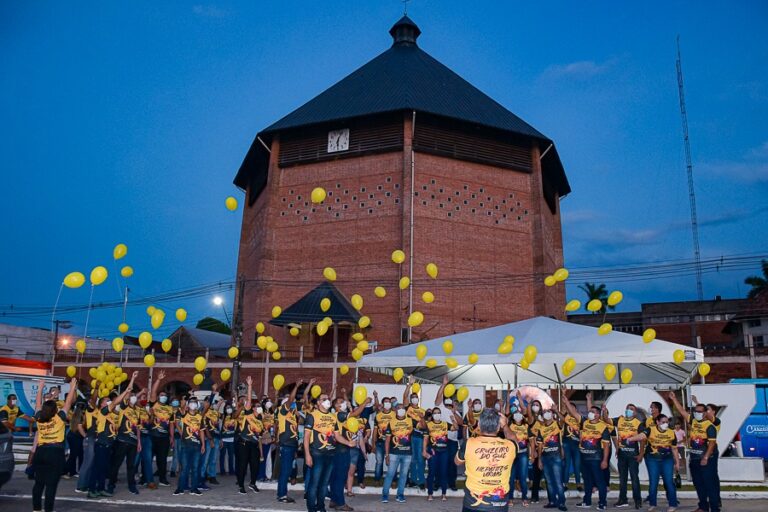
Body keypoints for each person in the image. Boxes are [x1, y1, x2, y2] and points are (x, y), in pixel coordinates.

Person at [456, 408, 518, 512]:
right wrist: (505, 425)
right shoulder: (510, 446)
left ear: (479, 425)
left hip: (473, 504)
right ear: (498, 427)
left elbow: (457, 461)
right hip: (499, 504)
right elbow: (514, 438)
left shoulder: (469, 443)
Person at [88, 372, 138, 499]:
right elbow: (116, 401)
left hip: (110, 444)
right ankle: (91, 490)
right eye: (106, 400)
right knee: (97, 468)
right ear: (102, 404)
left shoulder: (114, 414)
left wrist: (131, 379)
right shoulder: (103, 412)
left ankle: (100, 488)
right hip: (102, 444)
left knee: (104, 469)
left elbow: (125, 398)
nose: (108, 401)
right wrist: (125, 391)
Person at [304, 390, 355, 512]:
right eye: (323, 399)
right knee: (314, 484)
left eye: (328, 399)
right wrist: (307, 455)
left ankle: (321, 508)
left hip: (331, 454)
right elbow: (306, 437)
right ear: (318, 403)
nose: (327, 401)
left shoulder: (333, 418)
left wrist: (348, 442)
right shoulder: (312, 415)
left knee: (324, 484)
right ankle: (312, 509)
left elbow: (337, 436)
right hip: (317, 454)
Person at [31, 377, 77, 512]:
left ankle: (36, 509)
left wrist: (40, 388)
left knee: (38, 483)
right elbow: (68, 402)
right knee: (51, 485)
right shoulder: (59, 418)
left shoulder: (39, 417)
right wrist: (72, 386)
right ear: (55, 410)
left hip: (40, 452)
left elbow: (38, 404)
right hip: (55, 453)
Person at [668, 394, 719, 512]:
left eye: (700, 411)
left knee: (709, 485)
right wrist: (674, 399)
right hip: (695, 458)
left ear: (705, 413)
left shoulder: (710, 426)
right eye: (696, 411)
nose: (697, 413)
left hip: (707, 459)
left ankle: (715, 508)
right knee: (698, 484)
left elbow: (711, 444)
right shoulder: (694, 421)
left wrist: (706, 457)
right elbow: (681, 411)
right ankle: (703, 507)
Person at [562, 394, 611, 511]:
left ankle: (602, 503)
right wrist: (566, 400)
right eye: (590, 411)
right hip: (584, 457)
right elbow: (573, 413)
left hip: (596, 459)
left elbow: (606, 446)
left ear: (598, 415)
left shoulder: (603, 427)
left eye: (593, 411)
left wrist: (605, 461)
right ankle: (587, 501)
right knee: (587, 481)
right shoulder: (584, 422)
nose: (590, 412)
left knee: (600, 482)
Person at [627, 414, 679, 512]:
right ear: (657, 422)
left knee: (669, 482)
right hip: (652, 459)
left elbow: (674, 449)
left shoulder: (672, 433)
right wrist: (631, 439)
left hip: (667, 460)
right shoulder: (650, 429)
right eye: (663, 422)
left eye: (667, 422)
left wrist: (677, 463)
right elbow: (642, 436)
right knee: (653, 482)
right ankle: (652, 504)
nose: (666, 424)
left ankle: (673, 504)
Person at [107, 383, 144, 495]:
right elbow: (126, 396)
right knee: (116, 465)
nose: (132, 397)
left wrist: (139, 442)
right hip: (122, 441)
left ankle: (132, 486)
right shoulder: (123, 407)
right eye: (131, 395)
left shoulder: (137, 411)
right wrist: (131, 382)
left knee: (131, 466)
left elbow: (137, 427)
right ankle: (111, 485)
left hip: (133, 443)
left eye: (134, 395)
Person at [420, 405, 460, 501]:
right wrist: (424, 451)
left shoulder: (445, 424)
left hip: (444, 452)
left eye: (438, 413)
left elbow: (456, 428)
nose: (437, 414)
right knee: (431, 473)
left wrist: (452, 418)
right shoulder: (428, 424)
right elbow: (425, 439)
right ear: (432, 415)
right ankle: (430, 494)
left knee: (443, 472)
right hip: (433, 452)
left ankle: (444, 494)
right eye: (435, 413)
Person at [382, 402, 418, 503]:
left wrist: (421, 418)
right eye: (399, 408)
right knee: (390, 474)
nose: (401, 410)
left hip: (407, 454)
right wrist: (387, 455)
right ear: (396, 410)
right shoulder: (391, 422)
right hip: (394, 453)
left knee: (403, 475)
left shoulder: (410, 421)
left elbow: (422, 426)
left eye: (403, 408)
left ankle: (400, 495)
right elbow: (388, 440)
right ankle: (385, 495)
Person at [610, 403, 644, 508]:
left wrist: (641, 454)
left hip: (633, 455)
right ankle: (623, 499)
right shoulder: (619, 420)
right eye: (627, 408)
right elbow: (607, 420)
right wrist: (605, 411)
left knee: (634, 478)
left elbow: (643, 439)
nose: (628, 410)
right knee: (622, 478)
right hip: (622, 455)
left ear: (635, 412)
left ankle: (638, 500)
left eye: (631, 409)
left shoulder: (638, 423)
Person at [233, 375, 263, 495]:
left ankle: (252, 483)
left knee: (255, 466)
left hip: (254, 445)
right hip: (244, 442)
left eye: (259, 406)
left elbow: (259, 436)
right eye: (257, 406)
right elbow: (249, 400)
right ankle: (241, 485)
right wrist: (250, 386)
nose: (259, 407)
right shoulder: (248, 413)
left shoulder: (260, 421)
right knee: (243, 465)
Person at [172, 393, 207, 495]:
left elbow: (201, 431)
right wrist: (188, 396)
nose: (193, 404)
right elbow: (180, 411)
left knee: (195, 468)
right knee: (184, 468)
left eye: (194, 402)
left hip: (197, 446)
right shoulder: (184, 414)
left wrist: (203, 445)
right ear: (188, 404)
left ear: (197, 405)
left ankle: (194, 488)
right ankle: (180, 488)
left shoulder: (199, 417)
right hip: (185, 445)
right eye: (191, 402)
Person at [536, 406, 567, 511]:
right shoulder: (541, 429)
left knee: (558, 481)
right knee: (549, 482)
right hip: (545, 457)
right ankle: (552, 501)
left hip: (556, 456)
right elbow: (540, 446)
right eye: (544, 412)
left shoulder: (556, 424)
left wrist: (556, 411)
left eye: (548, 411)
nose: (546, 413)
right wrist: (539, 459)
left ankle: (562, 502)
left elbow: (563, 420)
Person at [276, 379, 303, 503]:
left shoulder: (292, 416)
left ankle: (282, 493)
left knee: (287, 470)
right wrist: (296, 386)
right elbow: (291, 400)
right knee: (285, 471)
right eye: (289, 401)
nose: (292, 403)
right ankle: (282, 495)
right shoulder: (283, 411)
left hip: (292, 445)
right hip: (286, 445)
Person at [435, 376, 461, 491]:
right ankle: (438, 483)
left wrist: (454, 413)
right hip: (441, 439)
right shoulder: (441, 408)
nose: (449, 406)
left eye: (451, 405)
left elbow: (461, 423)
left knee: (452, 463)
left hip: (453, 442)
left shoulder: (455, 412)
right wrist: (443, 384)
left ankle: (452, 483)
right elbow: (437, 398)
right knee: (440, 462)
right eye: (448, 404)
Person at [148, 370, 173, 486]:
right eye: (161, 395)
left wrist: (172, 437)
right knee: (148, 458)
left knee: (162, 459)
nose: (163, 397)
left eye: (165, 396)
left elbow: (172, 424)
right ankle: (146, 478)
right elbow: (153, 391)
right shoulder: (154, 404)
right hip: (152, 436)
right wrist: (158, 379)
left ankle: (162, 479)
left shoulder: (170, 409)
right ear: (158, 397)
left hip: (164, 438)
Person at [403, 378, 426, 490]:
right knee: (412, 459)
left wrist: (422, 419)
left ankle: (421, 481)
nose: (414, 399)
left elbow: (424, 426)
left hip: (420, 437)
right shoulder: (408, 408)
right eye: (412, 397)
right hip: (410, 436)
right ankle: (412, 480)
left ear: (418, 399)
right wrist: (410, 385)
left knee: (420, 459)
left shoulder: (423, 411)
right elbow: (404, 397)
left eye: (416, 397)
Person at [508, 400, 531, 506]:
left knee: (522, 477)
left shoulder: (526, 426)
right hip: (512, 455)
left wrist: (532, 454)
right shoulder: (509, 425)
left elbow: (530, 441)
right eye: (516, 413)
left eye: (520, 413)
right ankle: (510, 498)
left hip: (523, 454)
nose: (518, 414)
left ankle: (524, 498)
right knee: (511, 477)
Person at [75, 390, 99, 493]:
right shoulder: (91, 410)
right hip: (91, 438)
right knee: (87, 463)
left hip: (94, 439)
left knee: (92, 463)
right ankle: (81, 486)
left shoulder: (98, 411)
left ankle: (87, 484)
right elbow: (93, 400)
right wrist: (97, 388)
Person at [200, 384, 222, 486]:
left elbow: (218, 426)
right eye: (208, 401)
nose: (211, 403)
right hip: (208, 438)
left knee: (213, 459)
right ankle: (202, 476)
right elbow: (203, 425)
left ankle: (212, 476)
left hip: (217, 437)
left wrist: (220, 438)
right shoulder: (203, 412)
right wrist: (213, 392)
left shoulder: (215, 412)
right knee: (205, 458)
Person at [371, 391, 394, 482]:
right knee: (379, 461)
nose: (388, 403)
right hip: (380, 443)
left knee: (391, 462)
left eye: (389, 402)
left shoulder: (394, 414)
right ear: (383, 404)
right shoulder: (378, 415)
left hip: (392, 443)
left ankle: (393, 478)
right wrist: (373, 443)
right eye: (386, 402)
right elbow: (375, 430)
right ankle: (377, 478)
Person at [527, 399, 544, 503]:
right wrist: (529, 405)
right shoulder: (531, 419)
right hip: (535, 449)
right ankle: (534, 496)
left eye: (537, 405)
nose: (535, 406)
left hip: (548, 448)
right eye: (534, 405)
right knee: (536, 473)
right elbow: (529, 413)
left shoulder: (545, 418)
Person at [64, 402, 86, 478]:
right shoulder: (81, 416)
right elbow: (80, 428)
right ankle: (65, 471)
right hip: (76, 437)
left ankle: (74, 471)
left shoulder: (74, 414)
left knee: (79, 454)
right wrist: (85, 436)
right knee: (74, 455)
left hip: (72, 435)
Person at [219, 400, 237, 477]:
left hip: (232, 439)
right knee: (222, 455)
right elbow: (220, 428)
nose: (228, 409)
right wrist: (221, 439)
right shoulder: (223, 416)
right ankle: (222, 470)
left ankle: (231, 470)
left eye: (230, 407)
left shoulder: (234, 416)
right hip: (224, 439)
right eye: (227, 408)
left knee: (231, 456)